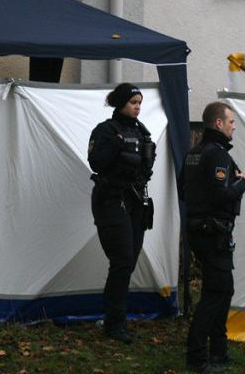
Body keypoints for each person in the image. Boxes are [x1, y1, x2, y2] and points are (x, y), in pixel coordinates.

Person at [183, 102, 245, 373]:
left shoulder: (194, 153)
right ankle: (197, 357)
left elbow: (183, 188)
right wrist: (243, 180)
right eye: (231, 121)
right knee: (215, 292)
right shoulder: (218, 155)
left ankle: (219, 350)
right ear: (218, 124)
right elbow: (222, 195)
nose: (234, 126)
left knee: (225, 289)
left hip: (200, 230)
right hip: (213, 233)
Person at [87, 83, 156, 344]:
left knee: (128, 261)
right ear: (120, 103)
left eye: (139, 102)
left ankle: (116, 319)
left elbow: (145, 168)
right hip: (110, 200)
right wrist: (117, 145)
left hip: (135, 200)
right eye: (133, 102)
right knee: (123, 259)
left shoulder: (142, 132)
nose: (137, 107)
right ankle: (114, 323)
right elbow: (95, 162)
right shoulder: (105, 130)